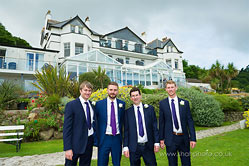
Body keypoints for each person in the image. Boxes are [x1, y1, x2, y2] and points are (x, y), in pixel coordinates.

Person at [159, 80, 196, 166]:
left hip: (184, 138)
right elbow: (161, 122)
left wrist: (193, 138)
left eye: (172, 87)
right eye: (168, 88)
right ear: (166, 89)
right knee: (172, 163)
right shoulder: (162, 104)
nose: (170, 89)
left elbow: (189, 121)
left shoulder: (185, 103)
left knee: (186, 163)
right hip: (170, 139)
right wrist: (161, 139)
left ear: (176, 88)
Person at [123, 87, 160, 166]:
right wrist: (125, 146)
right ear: (130, 98)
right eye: (133, 96)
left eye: (136, 95)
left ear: (140, 96)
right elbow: (126, 131)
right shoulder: (127, 112)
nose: (135, 97)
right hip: (134, 146)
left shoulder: (150, 109)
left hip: (148, 145)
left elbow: (154, 127)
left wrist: (156, 142)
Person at [63, 81, 96, 166]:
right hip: (75, 144)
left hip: (88, 142)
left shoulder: (92, 105)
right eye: (85, 90)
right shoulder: (71, 105)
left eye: (89, 90)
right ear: (80, 91)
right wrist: (68, 148)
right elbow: (67, 128)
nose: (87, 92)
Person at [95, 82, 126, 166]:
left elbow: (123, 121)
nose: (113, 92)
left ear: (118, 91)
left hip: (117, 138)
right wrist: (96, 138)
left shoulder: (122, 104)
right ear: (107, 90)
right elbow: (95, 122)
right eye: (111, 90)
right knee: (102, 163)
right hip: (104, 138)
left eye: (115, 90)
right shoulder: (99, 104)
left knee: (116, 163)